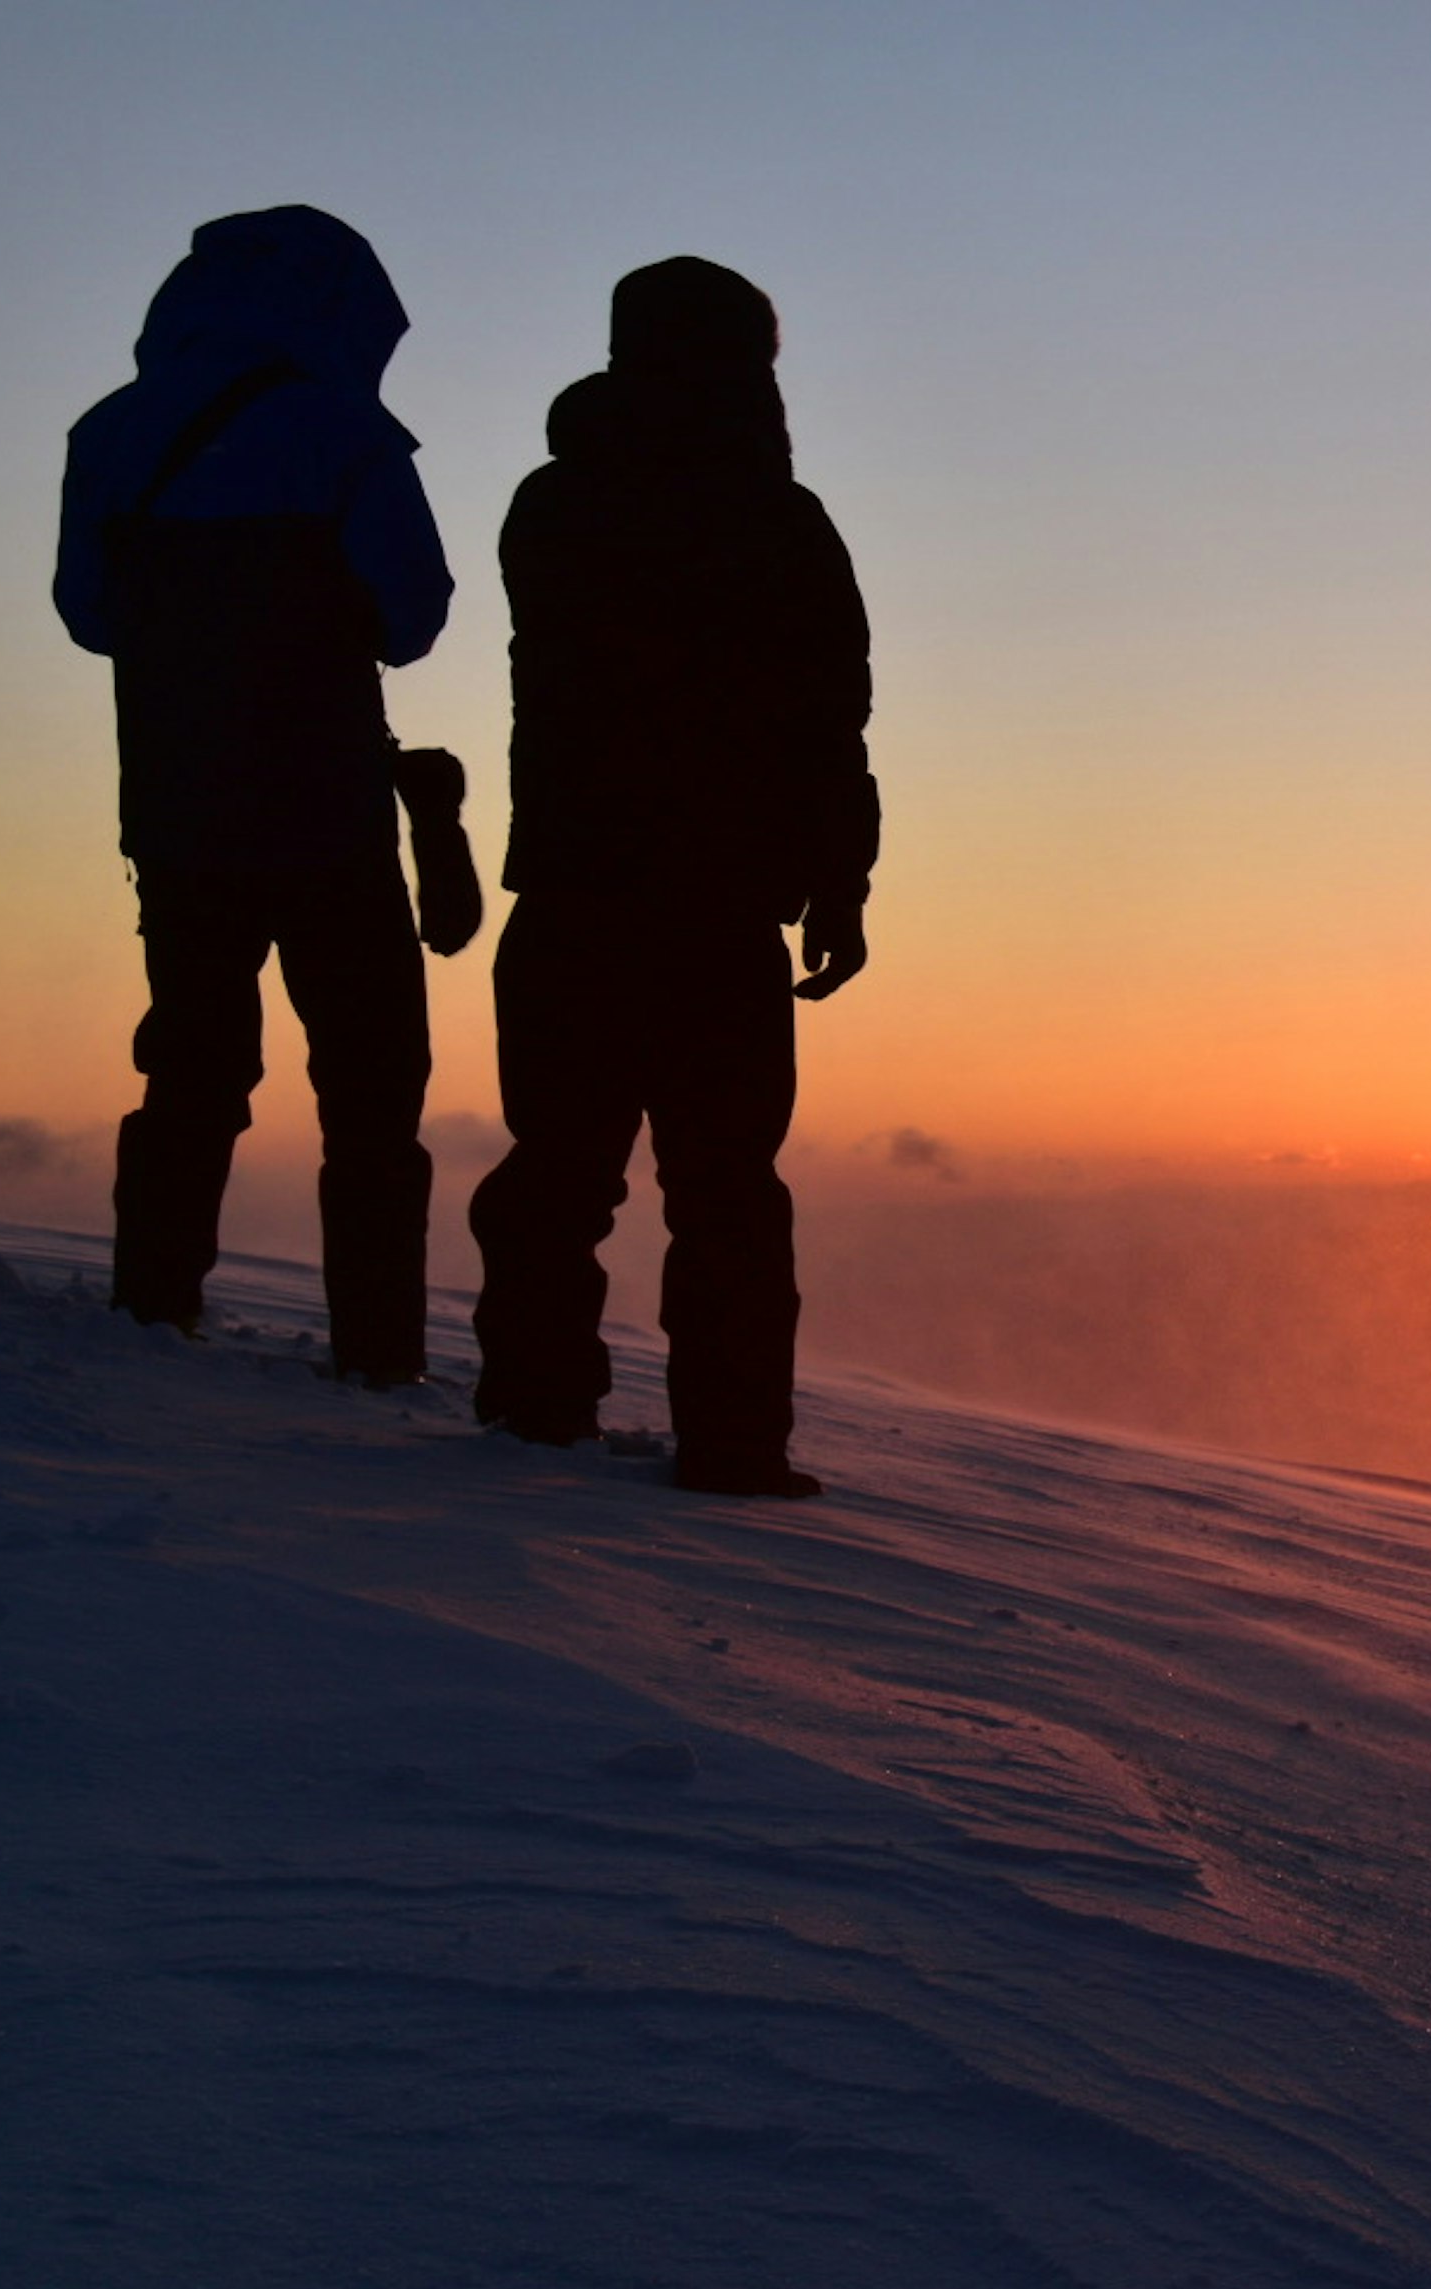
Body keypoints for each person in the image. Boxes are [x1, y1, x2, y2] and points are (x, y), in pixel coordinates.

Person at [467, 257, 876, 1498]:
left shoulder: (553, 503)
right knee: (728, 1190)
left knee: (558, 1168)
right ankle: (736, 1443)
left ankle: (536, 1416)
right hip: (718, 910)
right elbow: (830, 722)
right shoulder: (779, 522)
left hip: (576, 896)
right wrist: (840, 885)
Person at [53, 204, 467, 1386]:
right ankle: (380, 1356)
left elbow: (91, 618)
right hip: (328, 808)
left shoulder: (110, 434)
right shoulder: (345, 433)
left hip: (179, 810)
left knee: (190, 1065)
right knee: (373, 1091)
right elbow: (413, 618)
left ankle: (151, 1311)